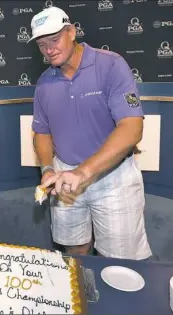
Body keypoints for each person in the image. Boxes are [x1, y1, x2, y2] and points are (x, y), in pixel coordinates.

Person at [28, 7, 152, 260]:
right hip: (65, 178)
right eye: (42, 44)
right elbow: (41, 132)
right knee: (75, 252)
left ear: (71, 31)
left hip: (113, 178)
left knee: (120, 260)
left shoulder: (110, 65)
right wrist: (47, 170)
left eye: (54, 40)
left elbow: (132, 127)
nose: (49, 49)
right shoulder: (44, 83)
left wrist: (84, 172)